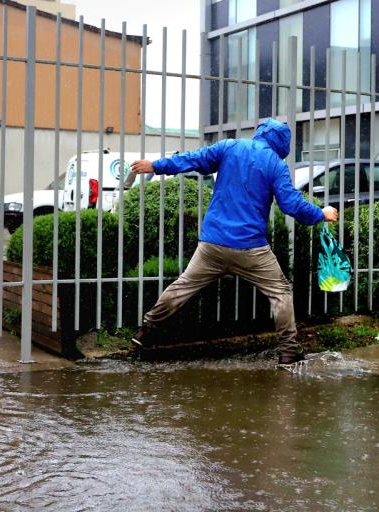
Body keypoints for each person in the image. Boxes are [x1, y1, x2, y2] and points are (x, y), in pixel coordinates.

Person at [130, 118, 338, 365]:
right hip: (251, 248)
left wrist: (156, 166)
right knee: (280, 292)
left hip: (212, 244)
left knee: (183, 286)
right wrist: (320, 213)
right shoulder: (275, 164)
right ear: (283, 142)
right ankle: (288, 351)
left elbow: (193, 159)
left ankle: (146, 331)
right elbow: (291, 204)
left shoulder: (229, 147)